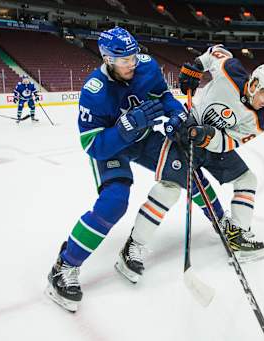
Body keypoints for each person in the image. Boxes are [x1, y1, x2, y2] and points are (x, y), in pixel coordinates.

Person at [45, 27, 190, 312]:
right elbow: (93, 147)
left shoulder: (146, 67)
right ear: (108, 59)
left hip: (145, 139)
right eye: (124, 61)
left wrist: (176, 114)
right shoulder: (94, 90)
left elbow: (163, 97)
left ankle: (221, 223)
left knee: (183, 169)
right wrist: (125, 127)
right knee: (113, 203)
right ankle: (64, 266)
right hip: (112, 148)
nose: (132, 64)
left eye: (134, 57)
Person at [115, 45, 264, 283]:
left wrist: (208, 136)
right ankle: (134, 246)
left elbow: (230, 141)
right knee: (168, 189)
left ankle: (237, 233)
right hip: (185, 129)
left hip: (212, 145)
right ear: (255, 83)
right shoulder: (231, 69)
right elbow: (215, 51)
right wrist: (197, 66)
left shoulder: (261, 119)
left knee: (247, 179)